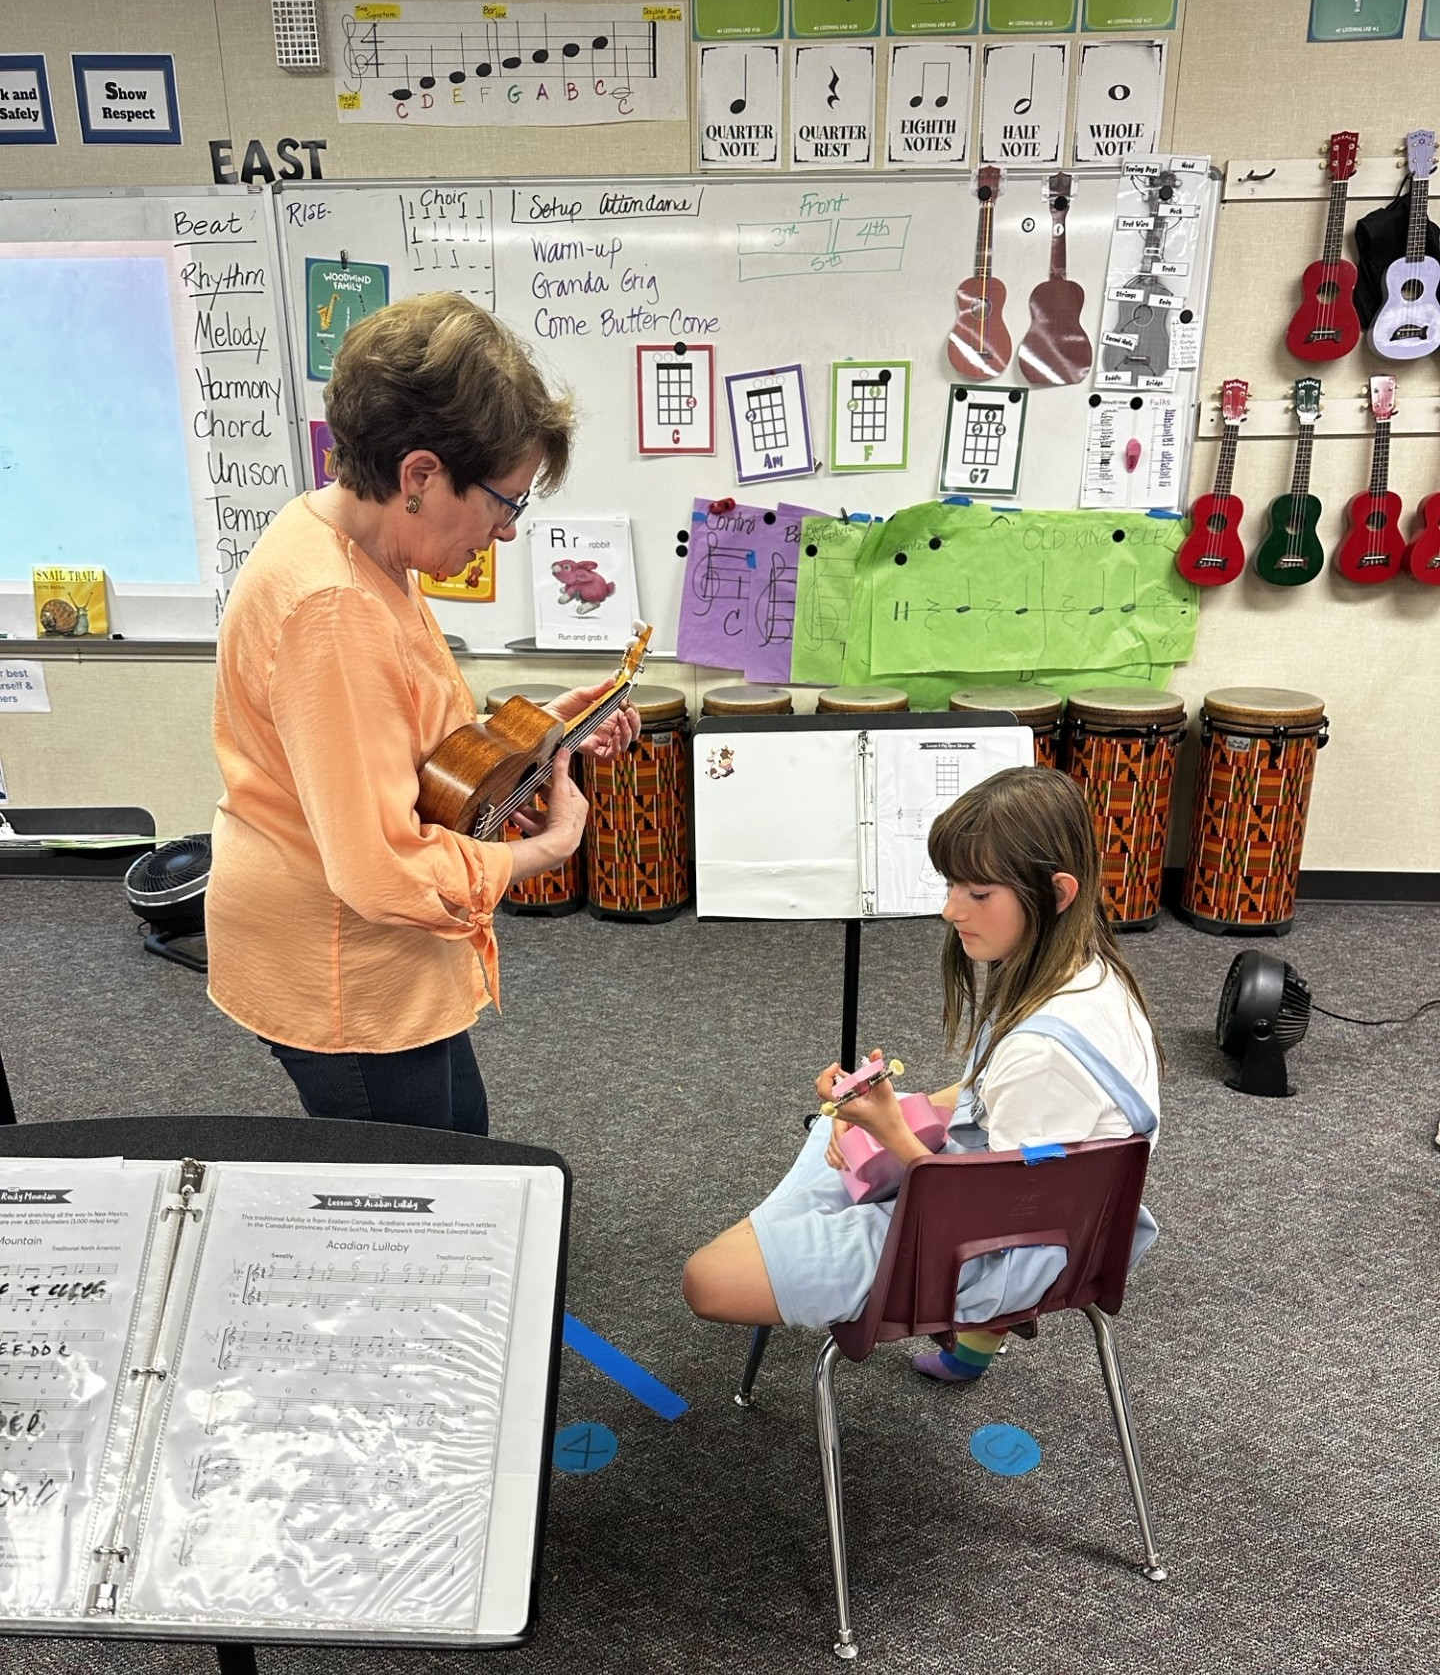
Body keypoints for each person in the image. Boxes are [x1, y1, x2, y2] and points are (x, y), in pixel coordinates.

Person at [206, 293, 639, 1134]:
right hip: (344, 967)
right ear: (419, 475)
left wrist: (538, 729)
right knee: (410, 1213)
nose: (508, 535)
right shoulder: (332, 608)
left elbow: (398, 740)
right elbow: (379, 872)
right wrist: (550, 849)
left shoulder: (353, 543)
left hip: (385, 948)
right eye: (504, 502)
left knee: (463, 1152)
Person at [683, 766, 1163, 1383]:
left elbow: (997, 1209)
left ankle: (795, 1243)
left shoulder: (1043, 1052)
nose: (949, 910)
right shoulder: (1090, 972)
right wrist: (892, 1107)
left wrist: (889, 1131)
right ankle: (958, 1346)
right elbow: (991, 1098)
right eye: (952, 886)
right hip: (1063, 1217)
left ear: (1058, 892)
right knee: (834, 1146)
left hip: (1001, 1248)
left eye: (978, 894)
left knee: (708, 1279)